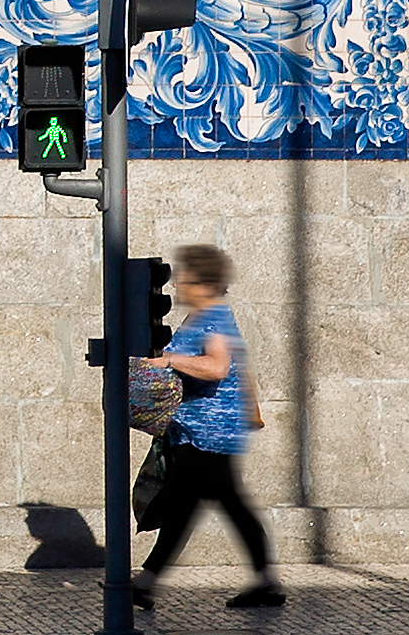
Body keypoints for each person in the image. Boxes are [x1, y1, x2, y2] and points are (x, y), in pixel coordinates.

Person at [136, 242, 286, 614]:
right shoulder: (202, 316)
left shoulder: (214, 317)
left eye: (186, 278)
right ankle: (265, 581)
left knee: (185, 504)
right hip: (202, 431)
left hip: (210, 432)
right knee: (224, 504)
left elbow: (217, 367)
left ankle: (146, 582)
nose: (179, 285)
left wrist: (169, 359)